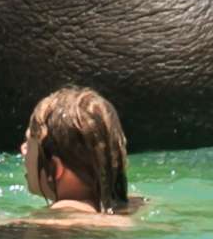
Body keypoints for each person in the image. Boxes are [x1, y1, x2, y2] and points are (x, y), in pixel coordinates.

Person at [17, 85, 139, 229]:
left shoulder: (43, 226)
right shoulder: (123, 209)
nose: (23, 149)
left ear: (56, 168)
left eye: (29, 143)